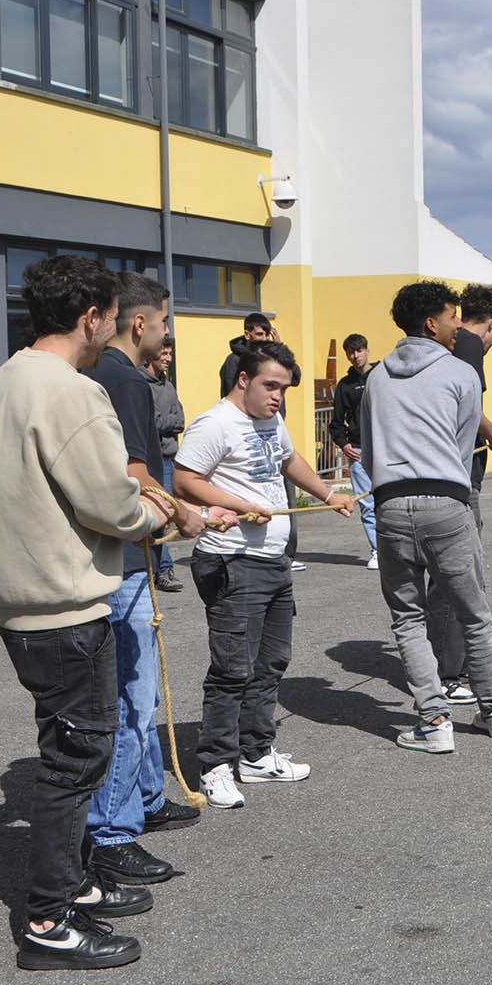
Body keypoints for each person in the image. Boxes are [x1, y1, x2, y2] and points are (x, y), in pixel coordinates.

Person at [0, 255, 198, 969]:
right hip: (61, 605)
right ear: (92, 317)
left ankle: (70, 883)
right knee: (75, 763)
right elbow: (110, 501)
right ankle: (47, 921)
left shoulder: (5, 379)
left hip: (20, 599)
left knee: (71, 750)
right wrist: (167, 518)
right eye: (108, 317)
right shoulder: (71, 391)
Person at [174, 342, 354, 809]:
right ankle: (215, 765)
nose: (277, 397)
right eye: (270, 386)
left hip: (273, 560)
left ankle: (255, 754)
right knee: (232, 669)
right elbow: (184, 479)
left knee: (270, 662)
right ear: (243, 380)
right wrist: (238, 505)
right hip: (231, 560)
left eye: (284, 389)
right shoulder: (215, 423)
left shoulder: (271, 420)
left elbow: (288, 460)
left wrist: (327, 493)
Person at [82, 273, 210, 887]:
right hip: (123, 561)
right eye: (163, 324)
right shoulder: (126, 378)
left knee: (140, 693)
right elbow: (136, 469)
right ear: (142, 324)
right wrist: (187, 513)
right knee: (132, 697)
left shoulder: (100, 372)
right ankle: (113, 831)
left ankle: (147, 796)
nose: (165, 336)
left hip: (122, 556)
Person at [361, 282, 492, 752]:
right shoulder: (460, 372)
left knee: (408, 618)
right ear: (432, 322)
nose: (457, 326)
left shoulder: (376, 377)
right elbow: (464, 443)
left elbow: (369, 452)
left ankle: (434, 719)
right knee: (473, 612)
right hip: (447, 500)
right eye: (452, 317)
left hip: (390, 502)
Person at [426, 283, 492, 703]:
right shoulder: (471, 345)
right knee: (459, 578)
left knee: (447, 578)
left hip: (437, 475)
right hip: (459, 480)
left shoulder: (446, 344)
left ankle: (443, 666)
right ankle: (446, 672)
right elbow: (468, 408)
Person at [217, 313, 304, 571]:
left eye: (266, 335)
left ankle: (286, 551)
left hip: (272, 432)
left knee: (283, 496)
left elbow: (295, 376)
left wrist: (280, 345)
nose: (277, 394)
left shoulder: (272, 358)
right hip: (249, 436)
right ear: (247, 334)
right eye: (258, 335)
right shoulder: (235, 362)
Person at [329, 333, 379, 570]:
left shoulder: (382, 376)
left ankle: (397, 548)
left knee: (390, 499)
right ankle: (377, 549)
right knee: (366, 503)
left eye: (359, 350)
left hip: (384, 446)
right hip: (358, 449)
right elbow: (336, 422)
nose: (355, 356)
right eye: (350, 352)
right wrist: (344, 444)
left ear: (367, 350)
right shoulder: (345, 385)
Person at [147, 335, 186, 592]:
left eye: (170, 355)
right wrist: (167, 421)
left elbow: (180, 420)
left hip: (170, 457)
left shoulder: (168, 386)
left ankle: (160, 567)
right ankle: (162, 569)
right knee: (156, 515)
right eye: (164, 354)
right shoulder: (142, 385)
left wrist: (167, 420)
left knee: (165, 515)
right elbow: (154, 422)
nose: (168, 359)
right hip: (152, 459)